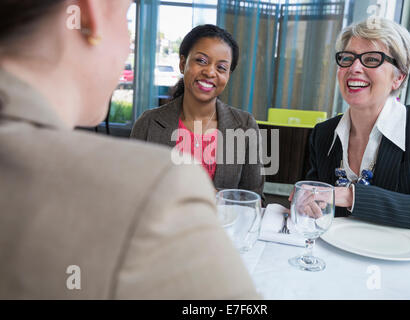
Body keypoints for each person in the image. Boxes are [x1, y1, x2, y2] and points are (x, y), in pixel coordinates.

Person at [0, 0, 258, 299]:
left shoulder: (241, 124)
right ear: (88, 13)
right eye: (125, 16)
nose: (210, 72)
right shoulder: (166, 179)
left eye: (221, 67)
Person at [301, 18, 410, 238]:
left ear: (398, 77)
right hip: (335, 258)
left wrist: (353, 197)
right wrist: (308, 204)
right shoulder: (322, 134)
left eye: (371, 59)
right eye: (347, 58)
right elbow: (315, 199)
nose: (354, 68)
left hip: (399, 266)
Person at [130, 25, 265, 200]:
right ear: (182, 63)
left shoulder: (245, 126)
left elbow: (255, 199)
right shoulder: (149, 123)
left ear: (228, 76)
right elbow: (130, 190)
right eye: (201, 60)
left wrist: (221, 199)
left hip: (220, 227)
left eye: (221, 68)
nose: (210, 72)